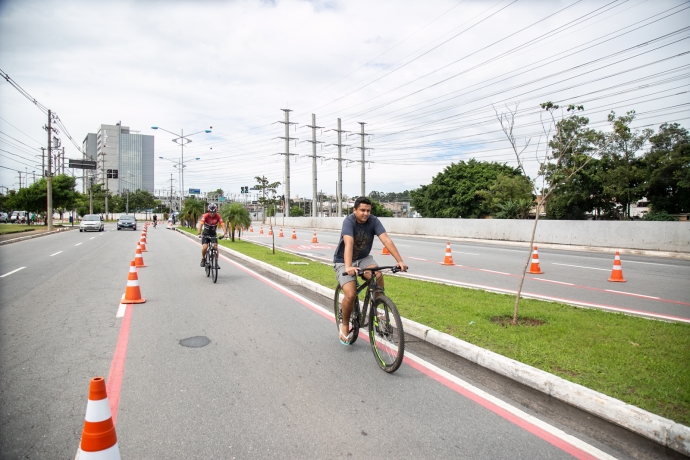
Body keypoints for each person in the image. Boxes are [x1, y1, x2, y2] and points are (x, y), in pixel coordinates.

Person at [333, 197, 407, 345]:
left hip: (363, 258)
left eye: (368, 210)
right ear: (355, 210)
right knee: (351, 294)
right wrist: (348, 266)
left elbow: (386, 240)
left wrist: (399, 260)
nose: (365, 213)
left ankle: (378, 307)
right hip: (343, 260)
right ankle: (345, 324)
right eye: (362, 210)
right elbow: (349, 243)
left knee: (377, 275)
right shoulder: (349, 222)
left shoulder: (373, 221)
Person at [197, 203, 227, 267]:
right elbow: (200, 225)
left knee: (215, 247)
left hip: (213, 234)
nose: (212, 214)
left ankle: (216, 262)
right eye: (211, 212)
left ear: (216, 211)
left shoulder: (218, 216)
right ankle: (203, 259)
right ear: (209, 211)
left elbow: (223, 225)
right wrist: (199, 233)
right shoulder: (205, 216)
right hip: (205, 234)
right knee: (205, 247)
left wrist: (225, 233)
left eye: (214, 212)